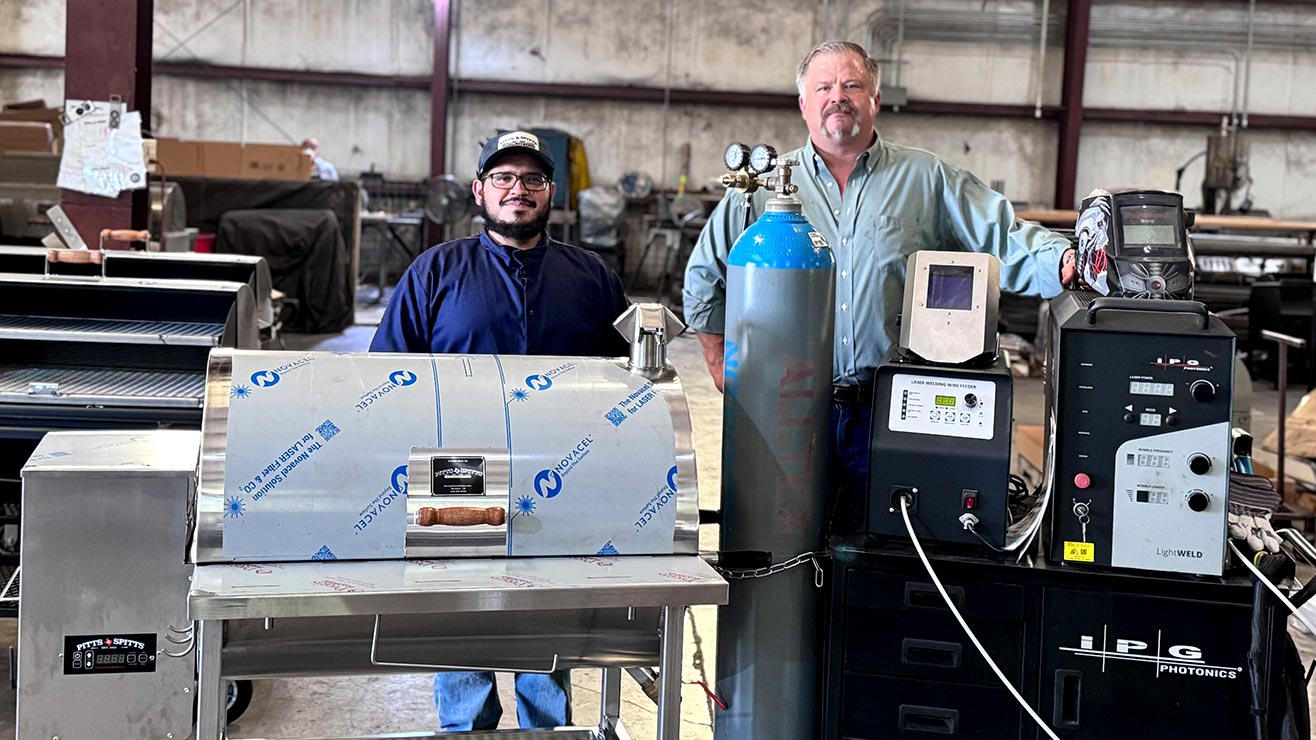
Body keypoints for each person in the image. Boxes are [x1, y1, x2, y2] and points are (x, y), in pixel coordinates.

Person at [683, 40, 1079, 530]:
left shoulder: (926, 178)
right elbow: (706, 271)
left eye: (852, 85)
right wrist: (719, 360)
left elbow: (1000, 233)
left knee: (882, 545)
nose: (838, 97)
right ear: (804, 103)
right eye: (823, 86)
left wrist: (1061, 258)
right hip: (788, 406)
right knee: (781, 543)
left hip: (890, 404)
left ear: (875, 98)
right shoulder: (763, 187)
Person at [369, 130, 629, 730]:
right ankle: (465, 729)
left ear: (550, 194)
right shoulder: (436, 271)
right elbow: (385, 373)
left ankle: (548, 728)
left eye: (533, 180)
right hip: (454, 468)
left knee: (547, 613)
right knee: (460, 613)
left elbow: (628, 378)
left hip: (558, 472)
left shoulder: (590, 276)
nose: (519, 190)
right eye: (505, 179)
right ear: (480, 190)